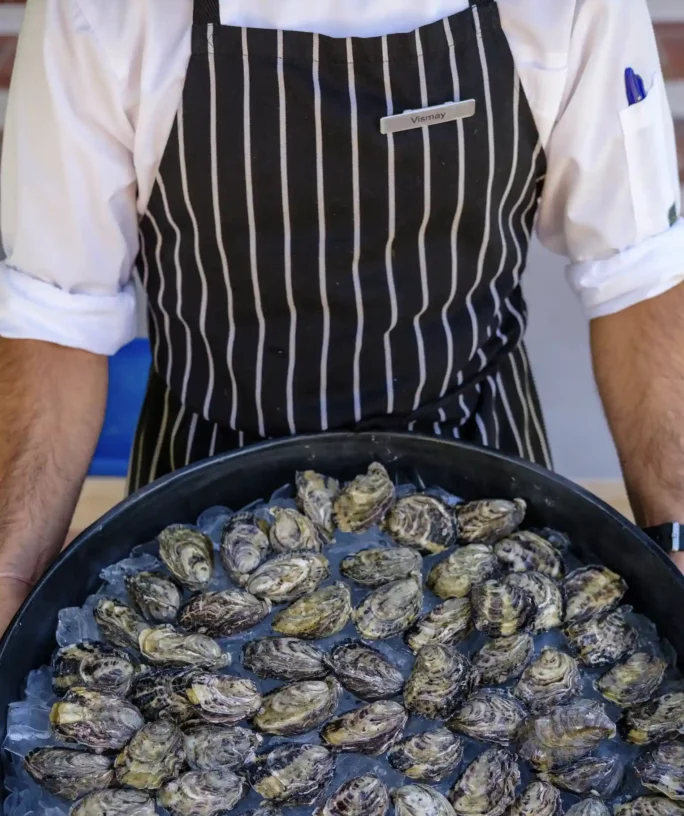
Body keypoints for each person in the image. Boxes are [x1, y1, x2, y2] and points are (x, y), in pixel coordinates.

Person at [0, 0, 683, 642]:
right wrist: (10, 581)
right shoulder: (101, 11)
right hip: (201, 513)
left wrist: (676, 543)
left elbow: (640, 276)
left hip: (487, 506)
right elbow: (57, 316)